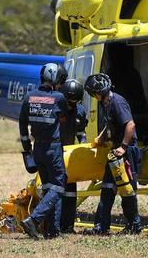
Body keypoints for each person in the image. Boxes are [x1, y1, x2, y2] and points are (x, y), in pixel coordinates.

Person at [83, 73, 142, 235]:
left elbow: (130, 125)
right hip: (116, 153)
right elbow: (110, 125)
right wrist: (100, 139)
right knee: (108, 189)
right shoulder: (106, 102)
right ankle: (101, 227)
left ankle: (134, 225)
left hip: (126, 151)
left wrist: (123, 147)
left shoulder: (117, 102)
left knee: (127, 190)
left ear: (98, 93)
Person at [19, 63, 69, 239]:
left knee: (49, 188)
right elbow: (63, 118)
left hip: (37, 149)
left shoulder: (29, 97)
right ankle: (33, 220)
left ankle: (52, 230)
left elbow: (22, 125)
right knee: (59, 186)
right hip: (52, 148)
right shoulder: (59, 98)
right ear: (54, 78)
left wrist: (27, 149)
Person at [58, 78, 88, 233]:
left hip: (69, 156)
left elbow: (81, 132)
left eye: (73, 103)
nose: (71, 106)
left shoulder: (80, 111)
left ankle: (68, 226)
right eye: (68, 102)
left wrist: (84, 146)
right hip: (54, 154)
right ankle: (53, 224)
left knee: (70, 192)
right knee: (54, 191)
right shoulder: (55, 108)